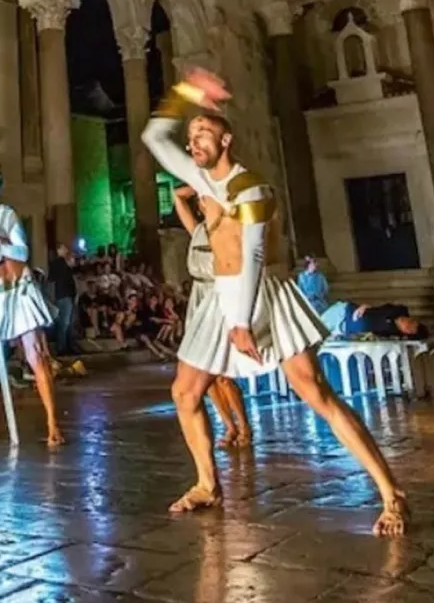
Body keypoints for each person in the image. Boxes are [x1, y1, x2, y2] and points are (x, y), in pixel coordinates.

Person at [143, 69, 406, 532]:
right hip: (215, 298)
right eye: (192, 135)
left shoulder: (251, 189)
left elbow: (253, 254)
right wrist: (186, 93)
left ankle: (390, 492)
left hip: (260, 293)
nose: (194, 141)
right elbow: (154, 138)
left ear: (226, 141)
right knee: (185, 393)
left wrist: (241, 321)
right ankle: (207, 483)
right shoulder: (202, 181)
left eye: (204, 132)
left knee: (315, 392)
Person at [0, 198, 64, 447]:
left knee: (35, 355)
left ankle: (53, 423)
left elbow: (21, 252)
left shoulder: (6, 215)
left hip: (19, 291)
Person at [172, 185, 251, 450]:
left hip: (220, 294)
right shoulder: (196, 229)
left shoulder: (226, 229)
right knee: (205, 376)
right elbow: (177, 196)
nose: (206, 203)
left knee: (223, 375)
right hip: (199, 297)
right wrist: (202, 182)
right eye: (204, 200)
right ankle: (229, 426)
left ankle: (245, 425)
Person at [319, 301, 428, 339]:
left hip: (346, 329)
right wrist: (366, 306)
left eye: (408, 328)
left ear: (406, 333)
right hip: (344, 312)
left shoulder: (391, 334)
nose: (407, 323)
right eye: (412, 322)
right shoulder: (399, 310)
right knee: (316, 327)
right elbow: (378, 308)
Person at [47, 243, 79, 357]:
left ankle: (67, 345)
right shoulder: (59, 263)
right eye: (64, 248)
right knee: (64, 323)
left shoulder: (63, 263)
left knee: (68, 322)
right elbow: (52, 280)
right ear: (59, 250)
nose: (66, 249)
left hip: (67, 295)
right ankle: (62, 347)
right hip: (63, 295)